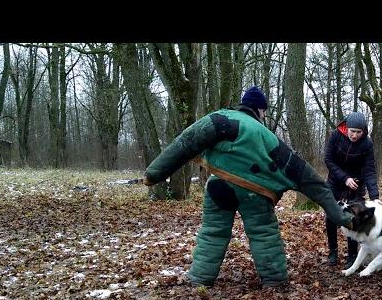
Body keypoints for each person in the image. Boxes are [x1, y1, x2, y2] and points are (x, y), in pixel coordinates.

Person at [143, 86, 353, 288]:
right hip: (255, 192)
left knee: (212, 232)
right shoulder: (266, 136)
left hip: (218, 186)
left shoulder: (220, 119)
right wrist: (341, 216)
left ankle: (200, 278)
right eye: (264, 111)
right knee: (263, 233)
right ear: (260, 110)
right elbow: (307, 178)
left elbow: (184, 143)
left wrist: (154, 174)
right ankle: (274, 280)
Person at [324, 111, 379, 268]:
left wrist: (374, 195)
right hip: (335, 182)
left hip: (356, 186)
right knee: (331, 216)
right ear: (346, 128)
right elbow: (328, 159)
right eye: (352, 131)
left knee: (353, 218)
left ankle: (352, 256)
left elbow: (369, 169)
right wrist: (344, 178)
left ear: (364, 131)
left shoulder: (367, 144)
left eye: (358, 132)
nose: (354, 135)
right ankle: (333, 252)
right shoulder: (335, 135)